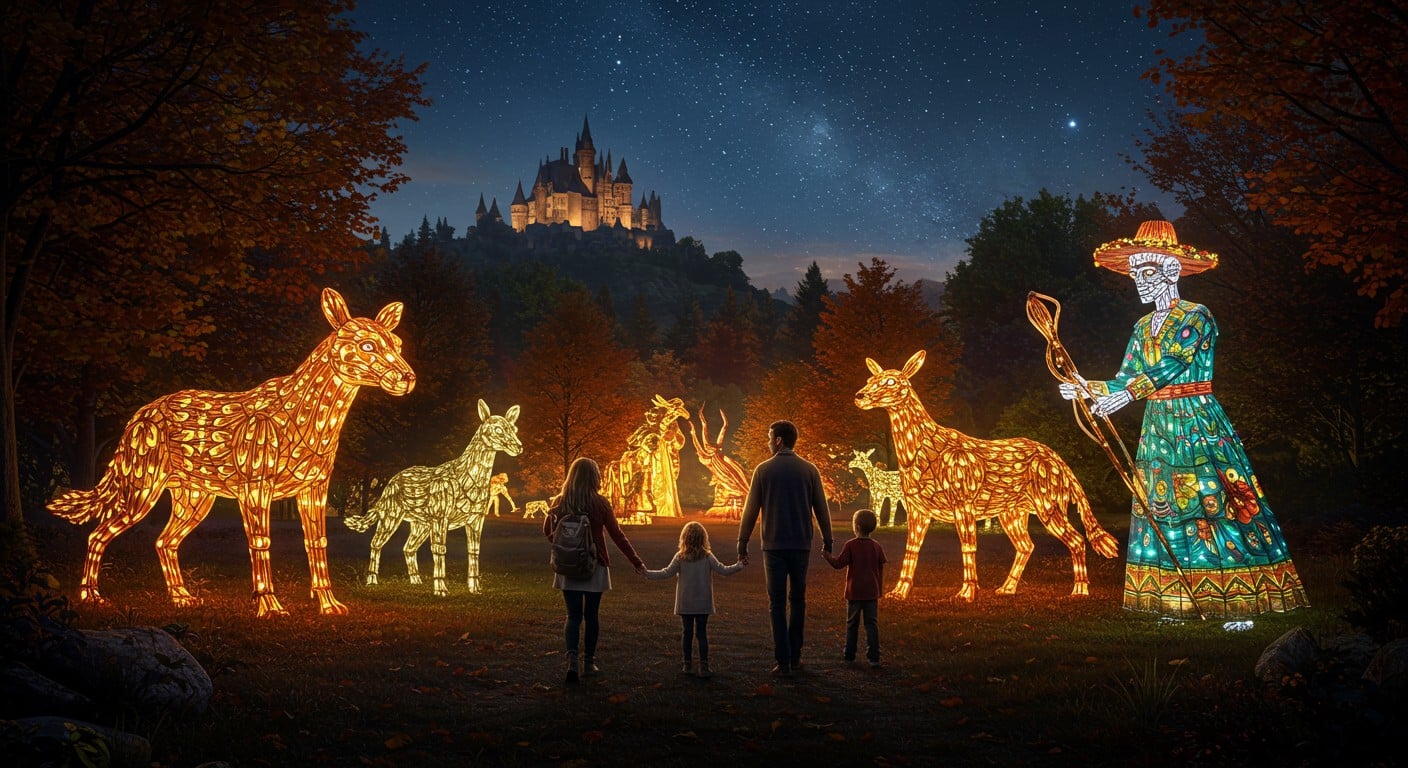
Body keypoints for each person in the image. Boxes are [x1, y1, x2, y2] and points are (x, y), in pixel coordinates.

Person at [1059, 220, 1309, 619]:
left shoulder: (1197, 316)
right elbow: (1125, 377)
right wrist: (1086, 387)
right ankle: (1174, 598)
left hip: (1197, 422)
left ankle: (1237, 600)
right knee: (1164, 504)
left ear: (1171, 271)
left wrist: (1127, 396)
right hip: (1158, 426)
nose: (1138, 282)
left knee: (1215, 501)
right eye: (1134, 274)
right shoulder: (1141, 326)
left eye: (1147, 272)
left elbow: (1175, 364)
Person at [737, 419, 833, 675]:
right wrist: (828, 539)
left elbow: (751, 511)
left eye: (770, 437)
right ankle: (796, 656)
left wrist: (742, 542)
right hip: (801, 545)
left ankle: (782, 660)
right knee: (798, 600)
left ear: (779, 440)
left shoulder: (763, 470)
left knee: (776, 603)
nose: (768, 442)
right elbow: (821, 509)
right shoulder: (810, 470)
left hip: (774, 546)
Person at [543, 457, 647, 684]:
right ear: (594, 477)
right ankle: (589, 663)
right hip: (594, 564)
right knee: (591, 616)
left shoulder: (561, 502)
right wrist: (636, 561)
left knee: (572, 616)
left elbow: (548, 531)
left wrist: (566, 544)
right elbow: (617, 535)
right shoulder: (600, 503)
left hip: (567, 566)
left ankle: (571, 660)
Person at [644, 521, 746, 678]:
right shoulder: (707, 557)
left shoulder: (680, 557)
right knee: (702, 634)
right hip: (703, 602)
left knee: (687, 633)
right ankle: (704, 667)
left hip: (686, 603)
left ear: (684, 538)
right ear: (703, 538)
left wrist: (646, 573)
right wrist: (739, 565)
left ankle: (687, 665)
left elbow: (665, 573)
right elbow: (724, 570)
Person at [821, 508, 887, 668]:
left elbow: (838, 564)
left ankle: (849, 654)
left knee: (852, 623)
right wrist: (880, 588)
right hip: (871, 592)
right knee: (871, 624)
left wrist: (827, 556)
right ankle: (874, 657)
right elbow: (881, 569)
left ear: (856, 526)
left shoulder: (851, 545)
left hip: (854, 591)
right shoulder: (876, 546)